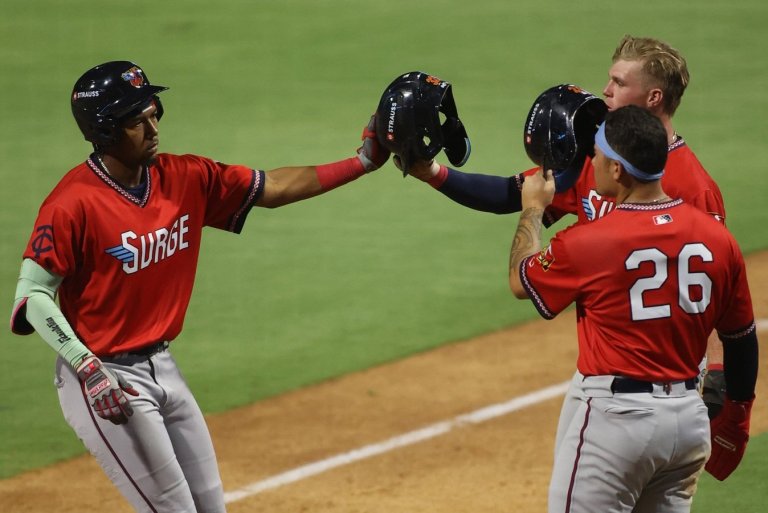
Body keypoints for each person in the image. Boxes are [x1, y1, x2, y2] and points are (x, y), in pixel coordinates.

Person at [9, 61, 389, 513]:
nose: (153, 128)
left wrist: (363, 162)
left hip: (164, 366)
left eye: (154, 114)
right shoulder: (71, 203)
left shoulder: (185, 176)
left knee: (211, 507)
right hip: (105, 380)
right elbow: (32, 295)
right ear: (106, 131)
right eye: (137, 121)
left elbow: (275, 186)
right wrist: (87, 369)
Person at [393, 35, 728, 419]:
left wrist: (717, 372)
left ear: (653, 98)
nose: (605, 91)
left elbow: (713, 282)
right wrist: (432, 173)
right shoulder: (599, 159)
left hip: (672, 372)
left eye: (619, 83)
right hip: (604, 367)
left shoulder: (693, 186)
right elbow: (512, 193)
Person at [508, 105, 757, 513]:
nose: (592, 162)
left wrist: (533, 208)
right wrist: (738, 412)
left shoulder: (591, 241)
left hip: (617, 424)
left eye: (598, 155)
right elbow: (741, 338)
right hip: (687, 426)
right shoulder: (718, 238)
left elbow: (522, 280)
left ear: (618, 170)